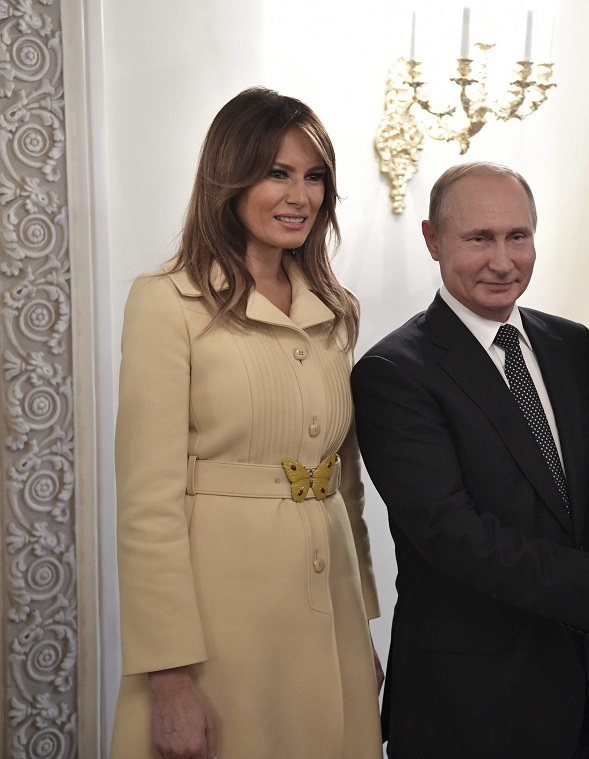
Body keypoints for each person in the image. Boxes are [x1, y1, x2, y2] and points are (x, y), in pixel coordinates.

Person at [351, 162, 589, 759]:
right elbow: (448, 532)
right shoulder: (393, 371)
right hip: (466, 696)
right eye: (480, 238)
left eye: (518, 236)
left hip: (578, 680)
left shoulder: (570, 344)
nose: (503, 261)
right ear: (433, 239)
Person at [109, 87, 383, 759]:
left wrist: (360, 632)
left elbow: (344, 484)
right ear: (228, 178)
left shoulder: (334, 310)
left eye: (314, 176)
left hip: (330, 618)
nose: (300, 196)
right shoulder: (166, 302)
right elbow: (147, 505)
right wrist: (169, 675)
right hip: (218, 636)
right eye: (277, 173)